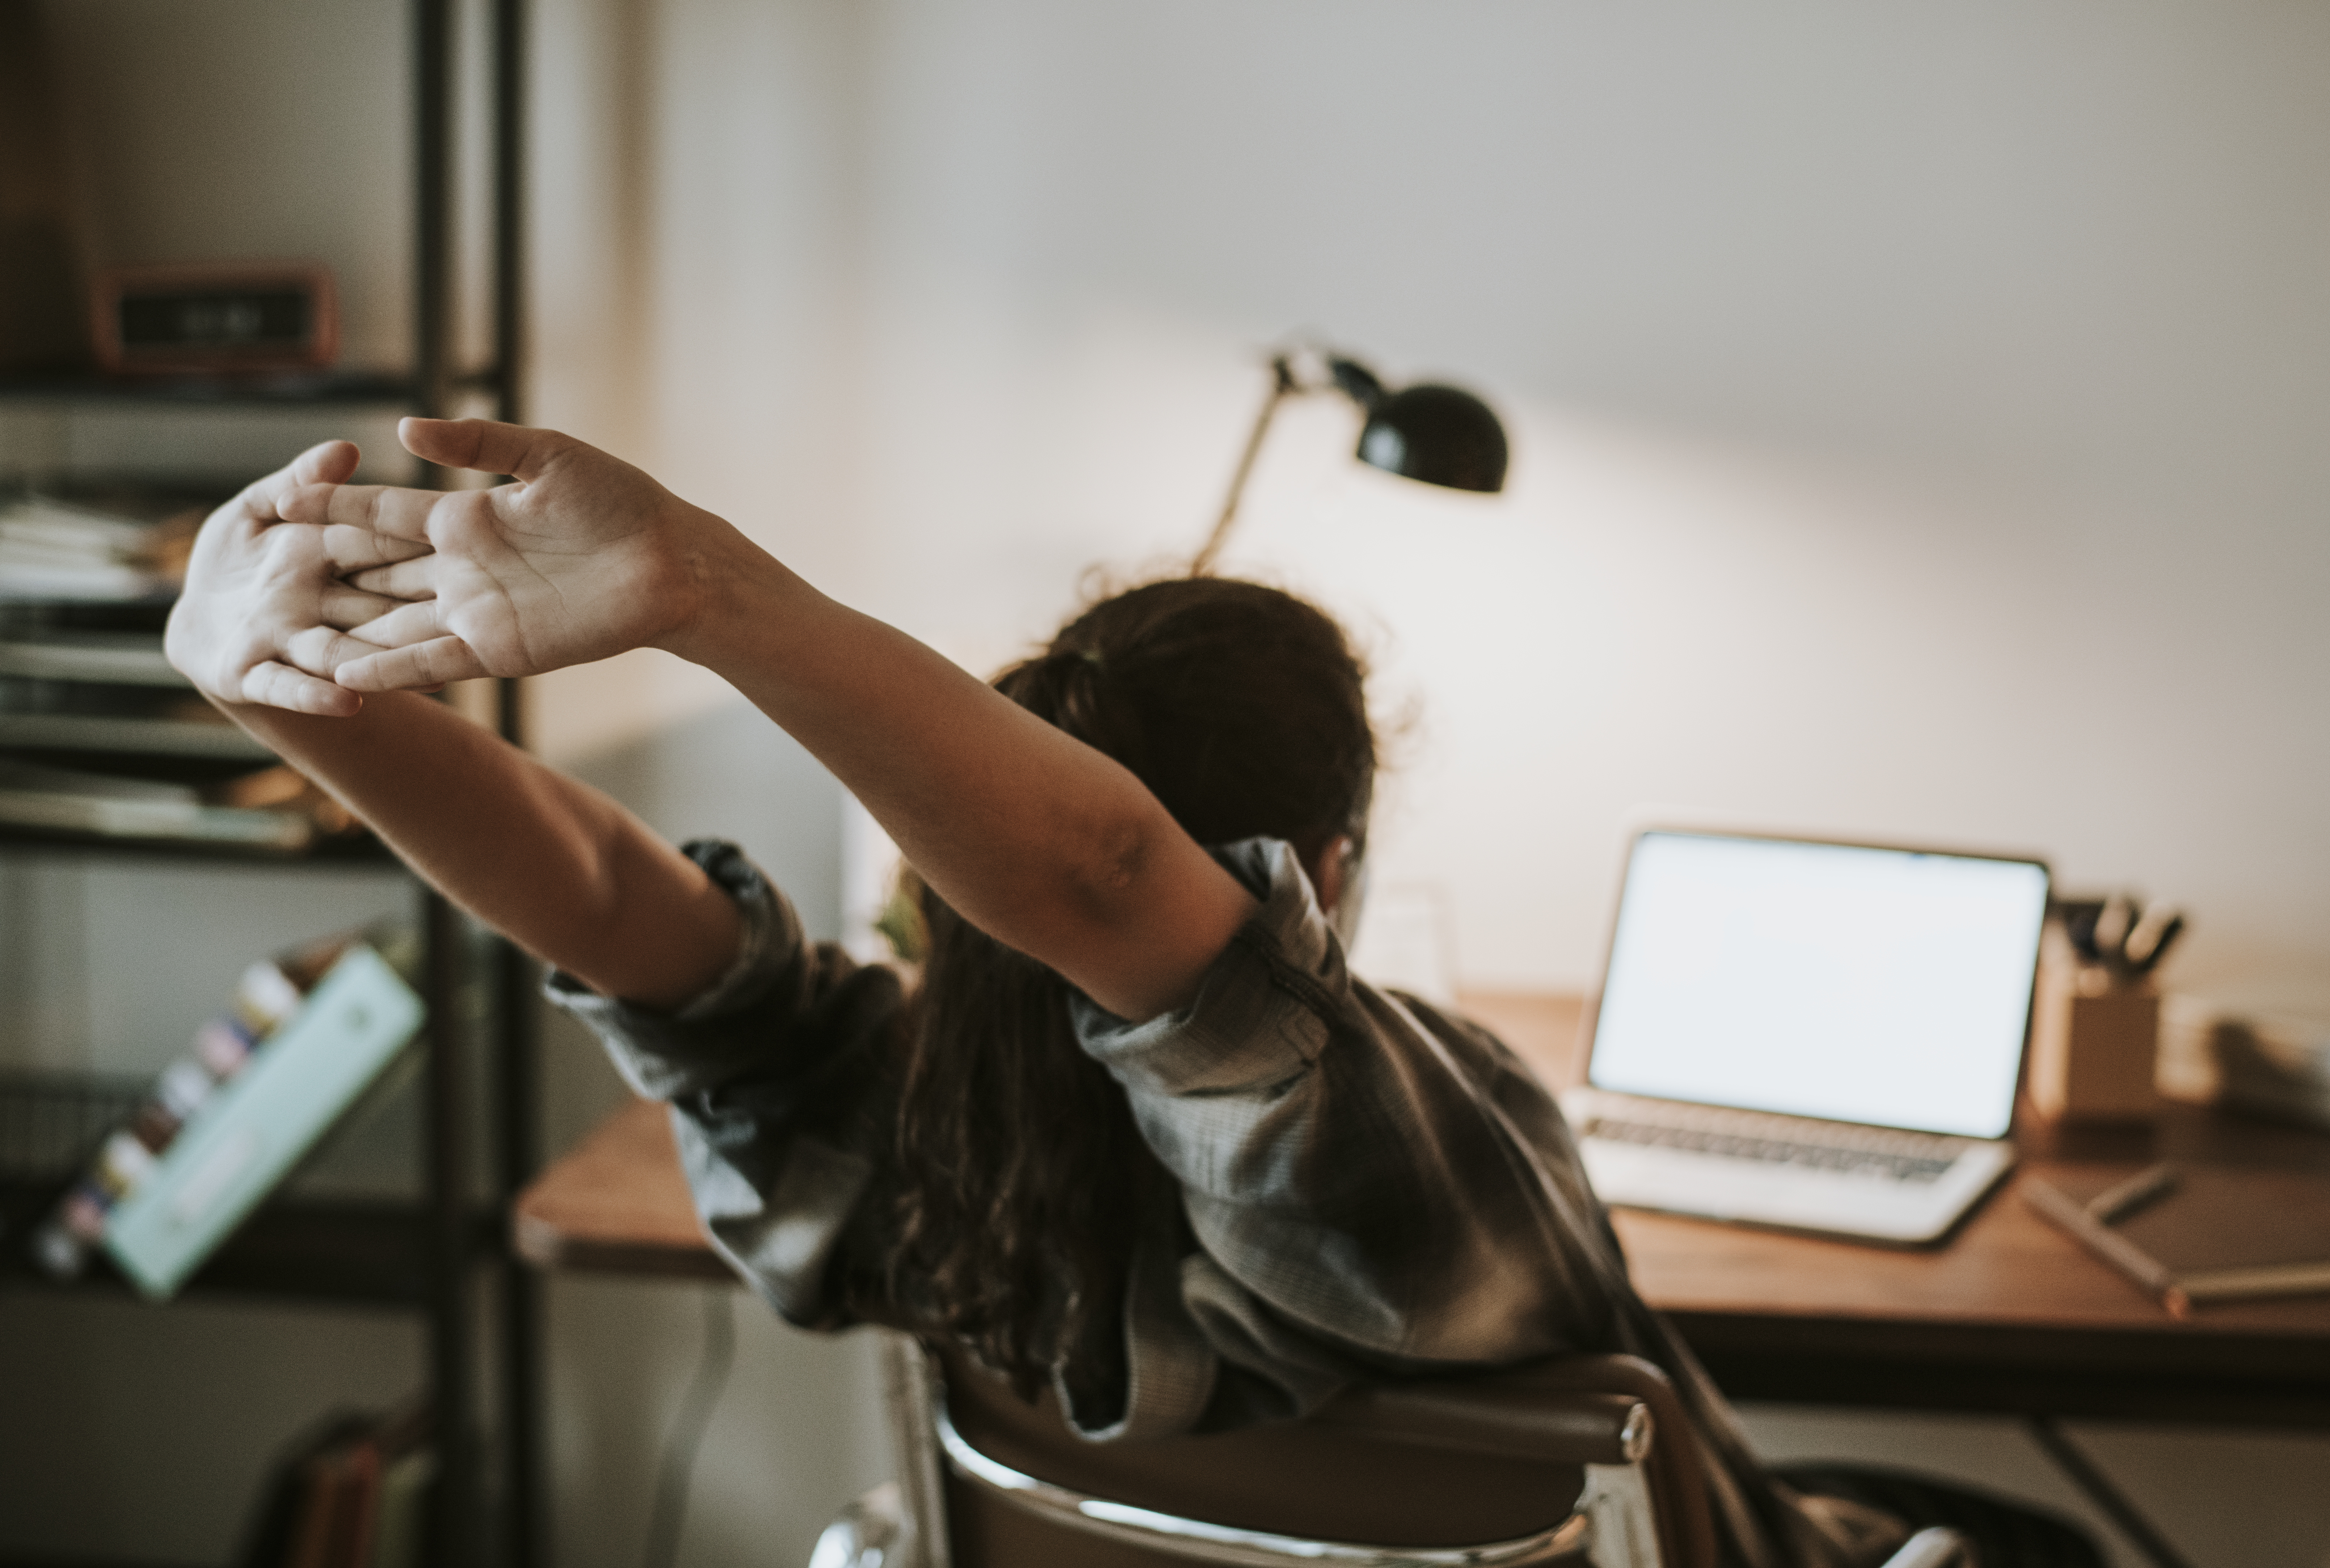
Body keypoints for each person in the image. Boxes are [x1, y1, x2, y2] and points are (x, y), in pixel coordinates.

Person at [164, 419, 2089, 1568]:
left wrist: (262, 689)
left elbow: (597, 895)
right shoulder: (1412, 1167)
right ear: (1314, 881)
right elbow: (1104, 883)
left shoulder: (904, 1141)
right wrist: (703, 595)